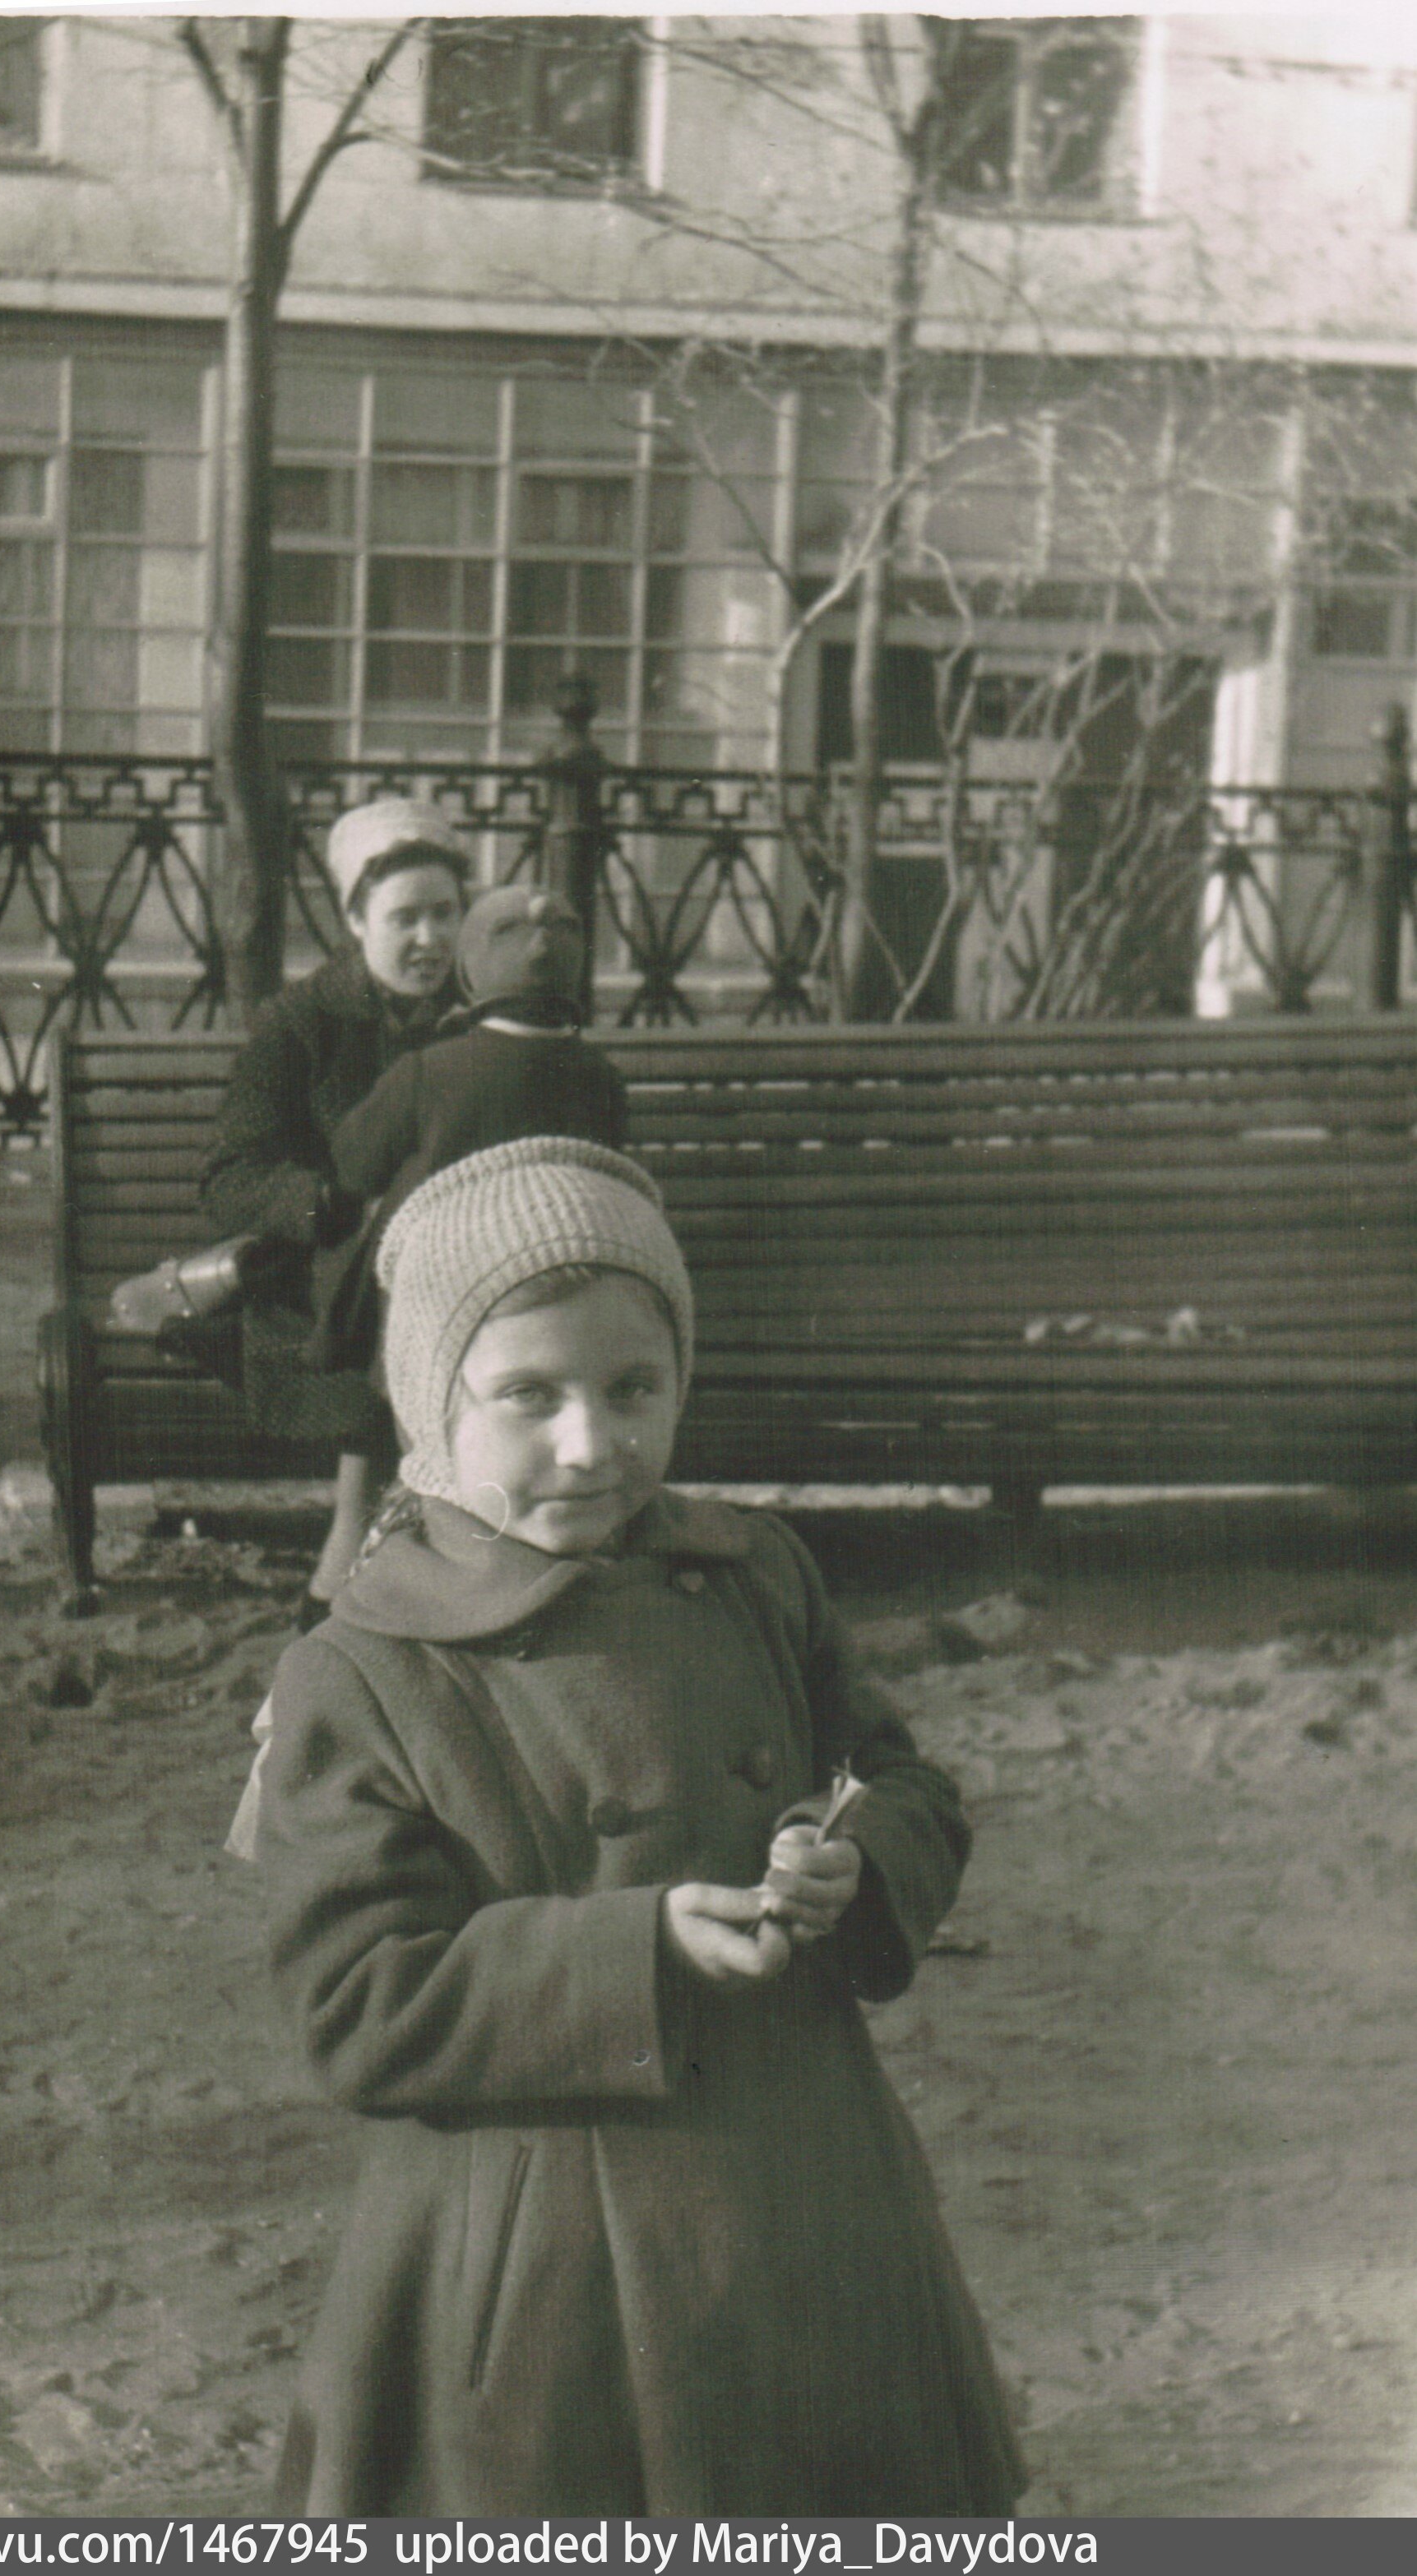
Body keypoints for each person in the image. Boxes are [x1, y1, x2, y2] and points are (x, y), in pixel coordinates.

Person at [255, 1136, 1026, 2515]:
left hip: (813, 2195)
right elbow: (358, 1999)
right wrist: (639, 1950)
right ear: (431, 1398)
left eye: (634, 1387)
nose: (592, 1442)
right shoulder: (363, 1668)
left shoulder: (753, 1571)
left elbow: (900, 1780)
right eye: (528, 1394)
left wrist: (852, 1859)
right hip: (548, 2260)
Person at [201, 797, 470, 1622]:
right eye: (404, 918)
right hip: (326, 1286)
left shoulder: (480, 1013)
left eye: (445, 913)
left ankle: (401, 1563)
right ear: (355, 921)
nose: (429, 938)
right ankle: (354, 1545)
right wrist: (329, 1205)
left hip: (463, 1269)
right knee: (401, 1312)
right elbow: (232, 1176)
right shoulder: (301, 1025)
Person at [307, 882, 627, 1375]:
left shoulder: (430, 1071)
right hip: (558, 1302)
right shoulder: (601, 1078)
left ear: (468, 970)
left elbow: (353, 1166)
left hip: (434, 1305)